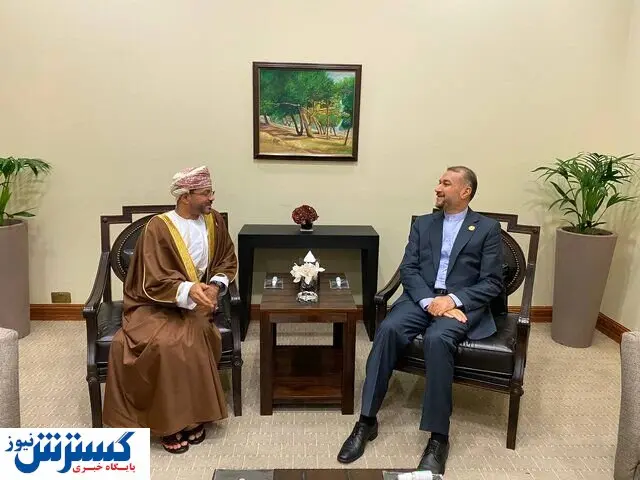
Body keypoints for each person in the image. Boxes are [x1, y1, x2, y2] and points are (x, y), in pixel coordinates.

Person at [337, 166, 504, 473]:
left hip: (459, 304)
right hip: (421, 299)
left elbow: (492, 282)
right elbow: (409, 269)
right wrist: (430, 302)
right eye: (439, 182)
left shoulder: (487, 229)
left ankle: (439, 438)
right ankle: (366, 421)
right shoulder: (424, 224)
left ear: (465, 191)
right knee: (388, 329)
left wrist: (451, 301)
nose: (437, 188)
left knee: (438, 339)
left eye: (445, 183)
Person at [103, 166, 238, 454]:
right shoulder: (159, 227)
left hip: (197, 304)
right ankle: (167, 424)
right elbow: (152, 278)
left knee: (196, 335)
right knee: (165, 344)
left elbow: (226, 259)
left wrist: (214, 287)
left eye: (211, 192)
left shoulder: (213, 221)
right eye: (206, 193)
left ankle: (193, 416)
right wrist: (189, 290)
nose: (212, 198)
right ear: (185, 196)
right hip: (153, 303)